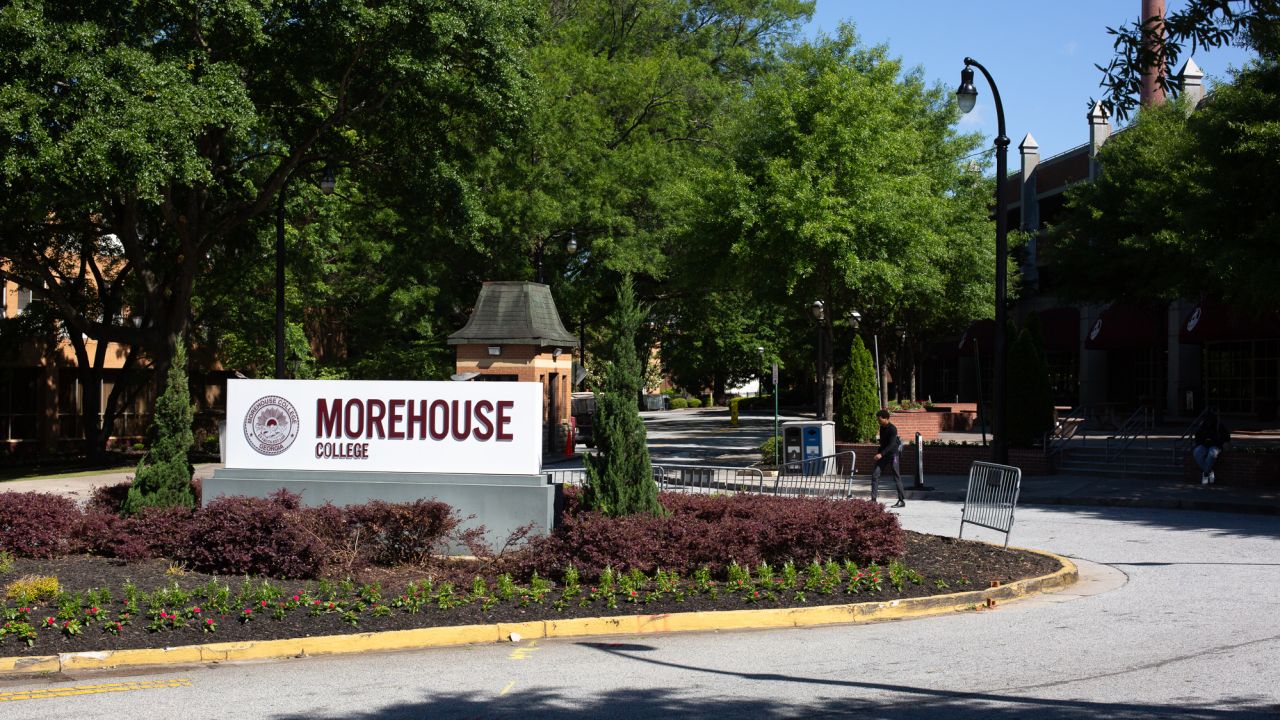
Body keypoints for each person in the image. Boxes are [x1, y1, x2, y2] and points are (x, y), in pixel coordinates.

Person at [871, 409, 905, 507]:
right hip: (883, 455)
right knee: (875, 475)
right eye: (877, 420)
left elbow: (891, 444)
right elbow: (883, 443)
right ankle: (873, 500)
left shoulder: (892, 429)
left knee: (896, 476)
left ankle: (901, 500)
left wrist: (881, 454)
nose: (878, 421)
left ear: (886, 418)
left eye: (880, 419)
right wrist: (879, 454)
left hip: (893, 455)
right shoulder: (882, 428)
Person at [1193, 412, 1230, 484]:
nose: (1208, 422)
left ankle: (1206, 474)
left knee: (1212, 454)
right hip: (1203, 445)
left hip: (1216, 445)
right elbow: (1197, 437)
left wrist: (1217, 442)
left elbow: (1227, 437)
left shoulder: (1219, 426)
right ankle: (1209, 470)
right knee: (1196, 452)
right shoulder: (1202, 426)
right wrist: (1203, 441)